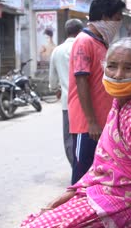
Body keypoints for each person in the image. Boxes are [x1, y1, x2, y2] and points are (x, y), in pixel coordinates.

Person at [21, 38, 131, 228]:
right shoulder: (119, 105)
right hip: (104, 196)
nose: (117, 75)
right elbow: (102, 168)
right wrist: (70, 193)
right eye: (112, 66)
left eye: (129, 68)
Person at [67, 0, 126, 185]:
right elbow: (81, 80)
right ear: (105, 17)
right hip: (87, 125)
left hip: (102, 122)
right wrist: (91, 121)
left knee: (98, 176)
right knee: (81, 176)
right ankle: (70, 214)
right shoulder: (84, 41)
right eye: (117, 18)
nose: (118, 23)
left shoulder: (101, 43)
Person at [49, 19, 84, 166]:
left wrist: (55, 89)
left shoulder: (57, 50)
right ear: (80, 31)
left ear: (66, 31)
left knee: (69, 138)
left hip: (67, 102)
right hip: (85, 101)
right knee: (85, 136)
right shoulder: (83, 47)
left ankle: (75, 167)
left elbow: (52, 78)